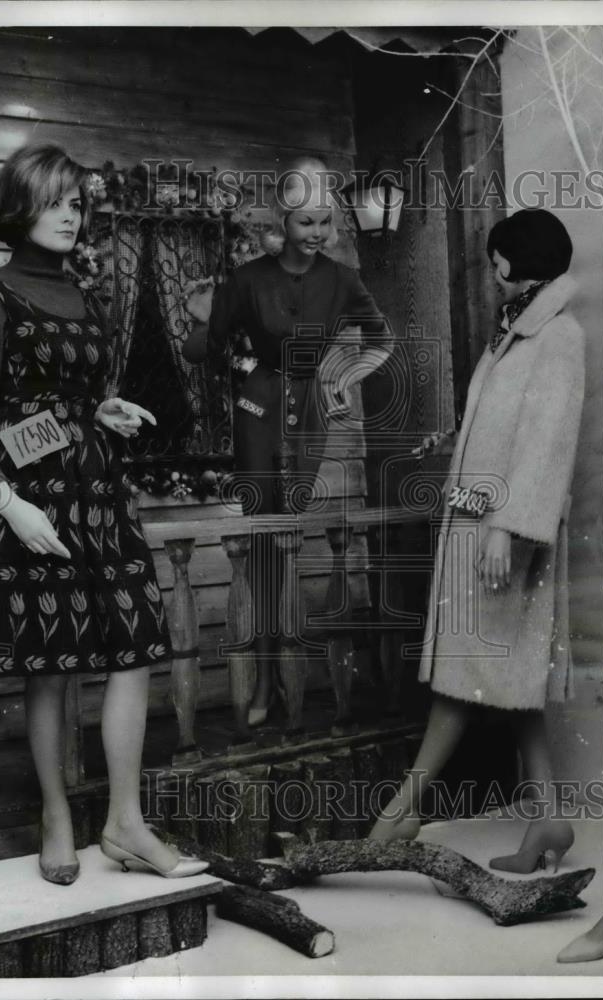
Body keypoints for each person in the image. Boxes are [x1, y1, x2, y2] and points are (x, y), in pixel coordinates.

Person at [0, 144, 207, 883]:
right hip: (36, 507)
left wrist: (103, 411)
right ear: (21, 207)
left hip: (102, 495)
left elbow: (60, 402)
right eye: (55, 200)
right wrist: (11, 505)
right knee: (52, 667)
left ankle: (125, 822)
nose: (71, 214)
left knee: (133, 651)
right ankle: (56, 814)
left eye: (77, 202)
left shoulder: (82, 295)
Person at [369, 209, 586, 877]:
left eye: (497, 260)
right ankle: (549, 817)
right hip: (481, 531)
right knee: (505, 677)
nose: (493, 274)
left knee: (466, 676)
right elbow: (504, 421)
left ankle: (404, 807)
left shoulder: (557, 337)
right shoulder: (516, 334)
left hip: (502, 537)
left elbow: (547, 440)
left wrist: (505, 524)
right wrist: (455, 437)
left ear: (514, 261)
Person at [182, 158, 393, 726]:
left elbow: (382, 341)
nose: (317, 232)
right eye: (305, 222)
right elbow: (202, 351)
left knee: (290, 540)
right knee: (263, 544)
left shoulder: (343, 280)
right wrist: (200, 320)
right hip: (258, 407)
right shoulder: (249, 278)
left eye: (325, 221)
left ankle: (286, 680)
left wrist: (343, 377)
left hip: (312, 414)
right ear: (284, 219)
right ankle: (264, 685)